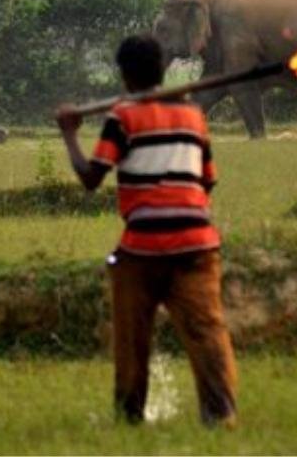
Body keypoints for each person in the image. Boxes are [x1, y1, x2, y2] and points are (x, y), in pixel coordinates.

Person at [55, 34, 237, 427]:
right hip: (197, 243)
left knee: (132, 336)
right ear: (161, 70)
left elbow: (90, 177)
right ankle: (221, 415)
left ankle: (129, 416)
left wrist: (69, 133)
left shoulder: (122, 117)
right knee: (207, 330)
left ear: (124, 75)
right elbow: (207, 181)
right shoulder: (193, 117)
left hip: (142, 249)